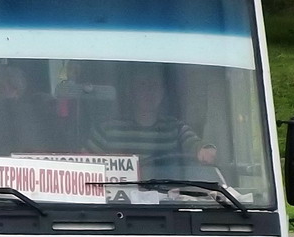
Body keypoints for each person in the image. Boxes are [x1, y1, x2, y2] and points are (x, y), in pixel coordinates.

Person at [87, 64, 216, 166]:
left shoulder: (174, 128)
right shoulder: (106, 130)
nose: (149, 91)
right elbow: (85, 164)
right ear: (130, 91)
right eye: (142, 85)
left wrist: (204, 150)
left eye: (154, 85)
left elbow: (195, 143)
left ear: (162, 92)